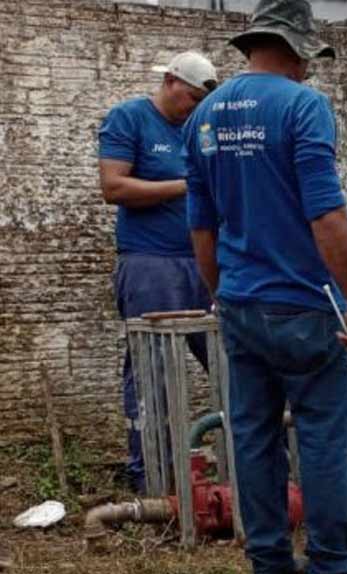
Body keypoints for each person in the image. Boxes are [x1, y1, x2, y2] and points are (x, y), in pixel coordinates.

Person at [182, 0, 347, 574]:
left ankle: (269, 566)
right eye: (308, 61)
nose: (309, 71)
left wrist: (222, 296)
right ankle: (332, 572)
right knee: (322, 434)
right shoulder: (302, 106)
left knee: (252, 436)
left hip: (241, 303)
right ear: (297, 51)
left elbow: (200, 225)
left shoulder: (204, 115)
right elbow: (325, 210)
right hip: (302, 306)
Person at [98, 50, 218, 495]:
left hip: (202, 262)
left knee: (230, 363)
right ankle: (150, 476)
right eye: (189, 97)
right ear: (170, 81)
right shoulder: (130, 118)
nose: (193, 107)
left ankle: (245, 469)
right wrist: (187, 186)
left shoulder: (200, 129)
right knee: (152, 373)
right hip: (150, 263)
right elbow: (114, 186)